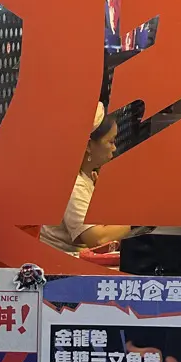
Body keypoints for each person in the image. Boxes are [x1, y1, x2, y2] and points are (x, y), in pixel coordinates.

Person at [40, 104, 131, 254]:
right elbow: (97, 239)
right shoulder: (74, 186)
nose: (114, 148)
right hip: (63, 263)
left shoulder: (87, 177)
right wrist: (136, 222)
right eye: (111, 141)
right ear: (88, 145)